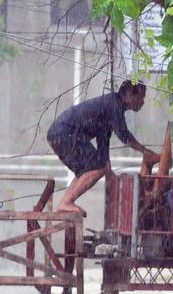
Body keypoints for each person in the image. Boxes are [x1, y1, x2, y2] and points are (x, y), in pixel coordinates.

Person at [47, 80, 160, 215]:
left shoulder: (110, 106)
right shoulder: (114, 105)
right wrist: (144, 151)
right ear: (129, 93)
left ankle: (64, 203)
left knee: (88, 171)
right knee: (96, 169)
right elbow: (124, 135)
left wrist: (108, 169)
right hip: (65, 133)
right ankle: (67, 202)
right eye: (141, 96)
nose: (142, 102)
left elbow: (103, 141)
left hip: (60, 133)